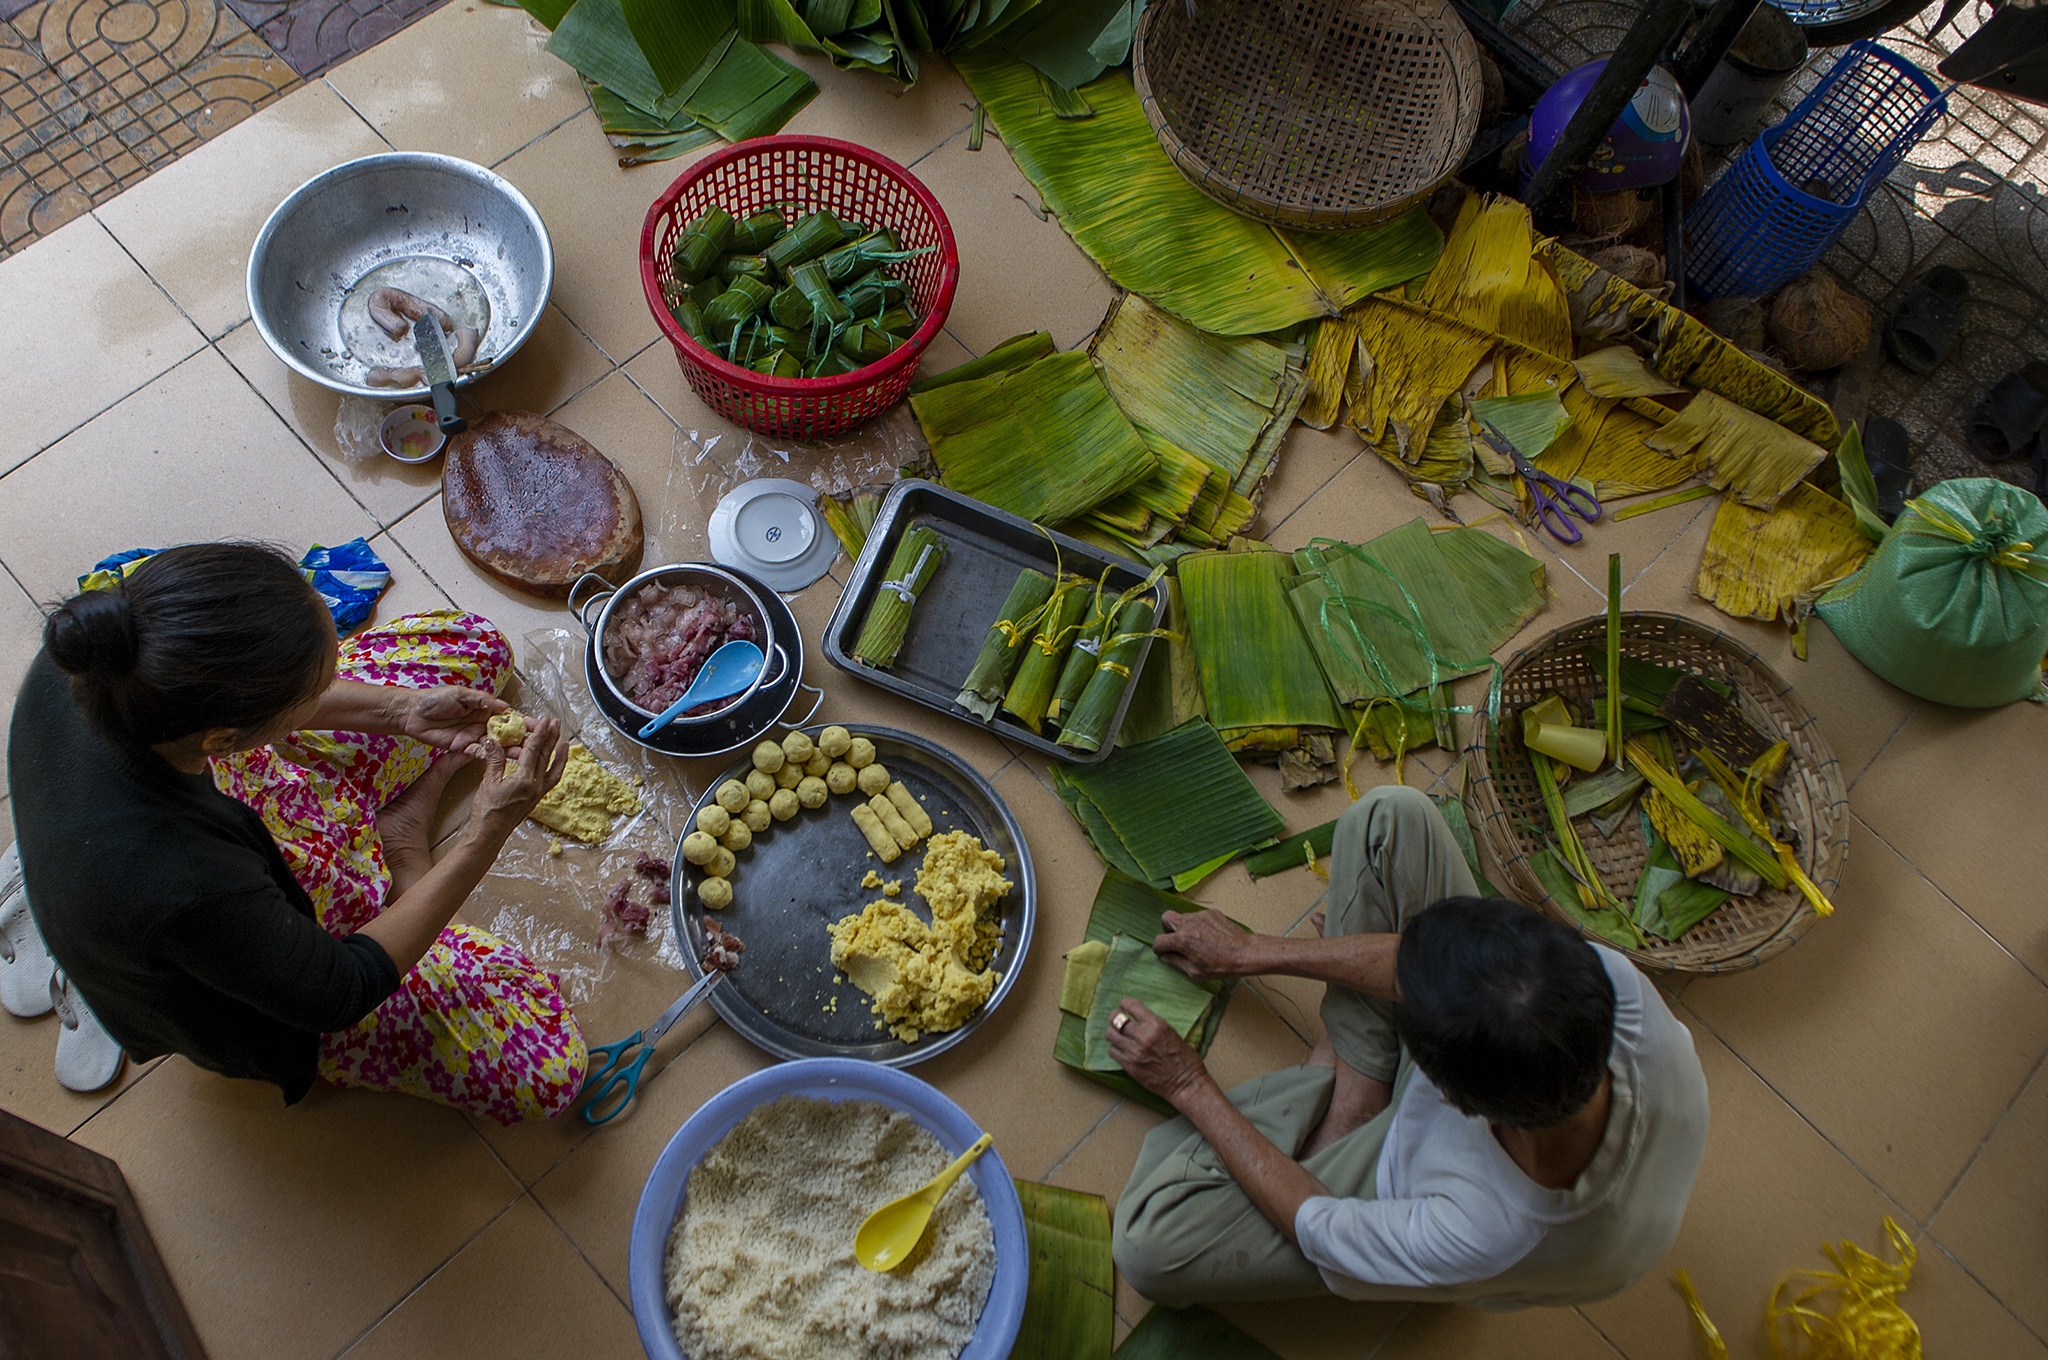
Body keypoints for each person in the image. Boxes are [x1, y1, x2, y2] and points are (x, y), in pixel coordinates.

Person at [6, 542, 588, 1124]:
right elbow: (341, 989)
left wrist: (402, 711)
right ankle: (402, 856)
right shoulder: (188, 880)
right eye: (316, 685)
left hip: (243, 791)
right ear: (224, 737)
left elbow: (253, 703)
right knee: (549, 1069)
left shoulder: (106, 653)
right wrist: (485, 832)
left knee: (477, 646)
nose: (336, 677)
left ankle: (383, 822)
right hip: (246, 946)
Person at [1106, 785, 1708, 1307]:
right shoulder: (1610, 990)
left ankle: (1345, 1091)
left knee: (1147, 1247)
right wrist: (1252, 952)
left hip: (1415, 1196)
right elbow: (1445, 972)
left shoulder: (1484, 1229)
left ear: (1449, 1098)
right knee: (1391, 818)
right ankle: (1356, 1093)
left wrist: (1189, 1083)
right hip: (1480, 1079)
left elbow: (1317, 1224)